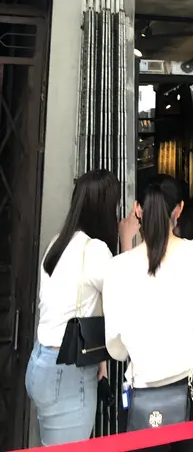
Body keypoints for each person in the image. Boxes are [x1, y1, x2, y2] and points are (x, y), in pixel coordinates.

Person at [102, 175, 193, 451]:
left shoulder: (118, 268)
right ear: (179, 210)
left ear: (137, 209)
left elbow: (116, 349)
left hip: (144, 398)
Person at [25, 169, 137, 446]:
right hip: (66, 373)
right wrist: (126, 240)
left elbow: (68, 308)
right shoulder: (95, 250)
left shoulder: (58, 243)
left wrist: (99, 359)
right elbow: (126, 297)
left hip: (41, 363)